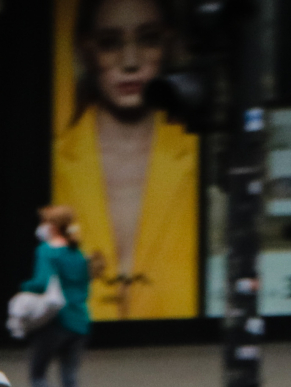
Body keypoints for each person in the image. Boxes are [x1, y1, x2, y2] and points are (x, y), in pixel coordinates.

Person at [52, 0, 197, 320]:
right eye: (109, 43)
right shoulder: (55, 161)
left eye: (148, 39)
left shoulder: (198, 157)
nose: (130, 62)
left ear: (169, 43)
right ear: (86, 51)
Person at [23, 205, 93, 387]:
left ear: (51, 227)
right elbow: (85, 288)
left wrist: (25, 287)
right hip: (79, 321)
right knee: (70, 379)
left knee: (37, 374)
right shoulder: (78, 254)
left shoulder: (46, 252)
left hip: (54, 322)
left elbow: (42, 283)